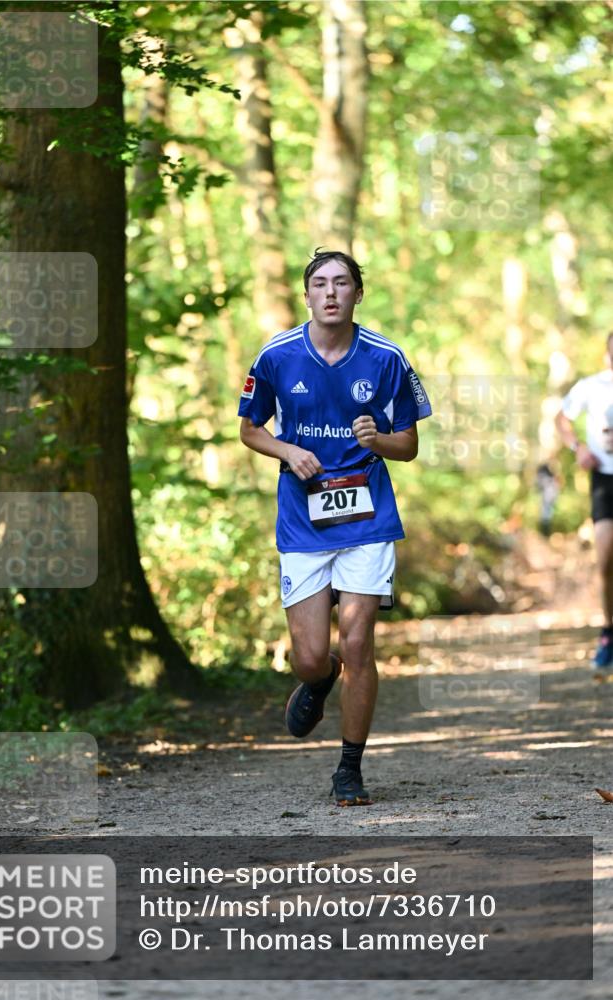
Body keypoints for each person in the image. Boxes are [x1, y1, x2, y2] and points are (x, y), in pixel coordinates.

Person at [238, 250, 431, 805]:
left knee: (358, 641)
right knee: (309, 656)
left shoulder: (386, 358)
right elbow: (250, 429)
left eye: (341, 283)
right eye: (320, 284)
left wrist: (377, 441)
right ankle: (320, 680)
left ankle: (350, 767)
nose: (330, 293)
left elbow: (409, 447)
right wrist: (287, 449)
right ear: (306, 296)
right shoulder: (277, 355)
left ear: (357, 293)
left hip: (368, 515)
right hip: (302, 517)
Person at [555, 332, 613, 677]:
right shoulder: (591, 386)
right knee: (605, 558)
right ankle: (609, 631)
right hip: (605, 479)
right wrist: (578, 448)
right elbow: (562, 419)